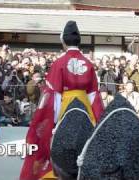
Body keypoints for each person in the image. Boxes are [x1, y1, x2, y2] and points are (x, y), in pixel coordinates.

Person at [20, 21, 104, 180]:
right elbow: (94, 96)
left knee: (53, 138)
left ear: (63, 42)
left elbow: (54, 96)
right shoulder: (89, 64)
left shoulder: (59, 63)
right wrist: (99, 120)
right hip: (84, 104)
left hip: (66, 104)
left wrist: (52, 121)